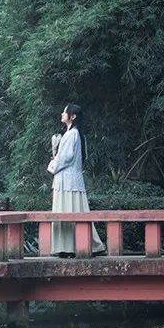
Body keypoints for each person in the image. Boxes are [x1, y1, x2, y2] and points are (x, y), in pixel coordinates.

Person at [47, 104, 105, 256]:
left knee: (66, 210)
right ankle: (78, 246)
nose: (62, 114)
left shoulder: (71, 134)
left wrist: (52, 164)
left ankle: (68, 247)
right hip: (70, 179)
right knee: (75, 209)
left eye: (65, 112)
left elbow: (65, 158)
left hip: (67, 180)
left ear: (72, 116)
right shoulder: (74, 134)